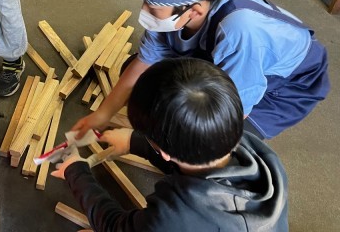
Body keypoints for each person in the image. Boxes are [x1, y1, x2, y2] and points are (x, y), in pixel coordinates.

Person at [74, 0, 330, 140]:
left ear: (194, 10)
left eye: (153, 9)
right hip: (227, 54)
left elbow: (231, 112)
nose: (145, 13)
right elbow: (143, 63)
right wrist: (102, 115)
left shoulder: (238, 31)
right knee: (143, 81)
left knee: (204, 139)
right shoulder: (184, 4)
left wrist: (147, 141)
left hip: (287, 86)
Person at [53, 57, 289, 231]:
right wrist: (134, 142)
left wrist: (76, 172)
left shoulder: (173, 215)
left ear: (165, 152)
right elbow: (191, 156)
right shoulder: (260, 154)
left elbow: (114, 226)